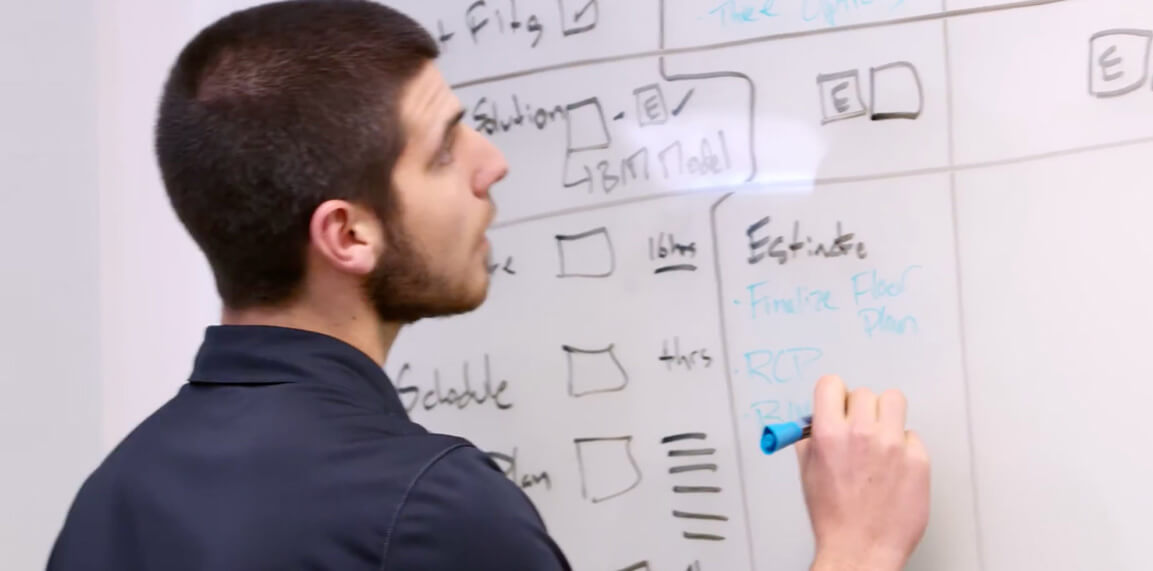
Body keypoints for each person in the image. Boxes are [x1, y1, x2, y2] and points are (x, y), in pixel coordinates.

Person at [47, 1, 931, 569]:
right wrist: (856, 547)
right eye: (444, 150)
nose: (492, 164)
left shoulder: (111, 500)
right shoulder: (427, 516)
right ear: (347, 233)